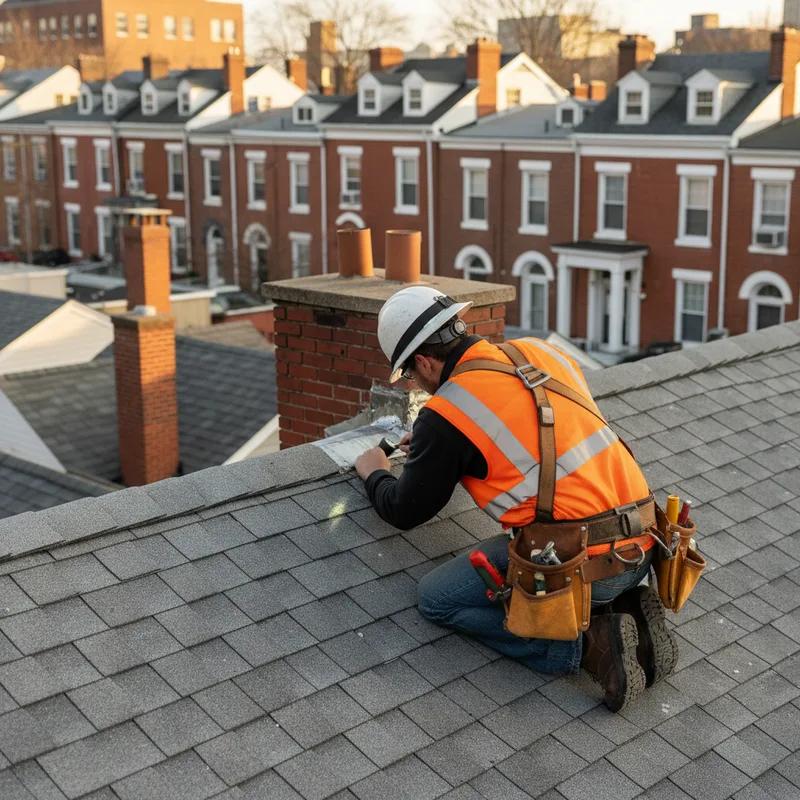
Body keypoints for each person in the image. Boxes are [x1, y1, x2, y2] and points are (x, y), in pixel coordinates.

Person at [355, 286, 678, 711]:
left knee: (437, 599)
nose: (415, 384)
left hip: (584, 564)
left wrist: (373, 469)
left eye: (411, 376)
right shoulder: (538, 352)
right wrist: (438, 449)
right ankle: (624, 610)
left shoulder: (446, 414)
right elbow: (540, 434)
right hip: (644, 542)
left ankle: (577, 647)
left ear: (425, 361)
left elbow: (404, 509)